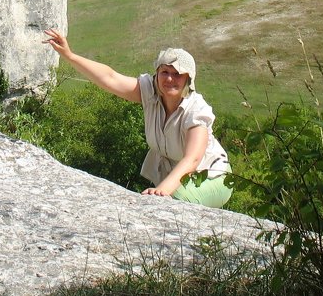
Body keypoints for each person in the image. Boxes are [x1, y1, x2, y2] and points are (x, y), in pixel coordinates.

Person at [43, 29, 232, 208]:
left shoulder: (196, 110)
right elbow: (110, 78)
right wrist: (70, 55)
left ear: (188, 79)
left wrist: (163, 191)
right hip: (180, 180)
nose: (169, 79)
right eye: (164, 72)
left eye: (177, 74)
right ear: (156, 74)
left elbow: (192, 159)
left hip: (211, 177)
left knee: (177, 202)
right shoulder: (150, 92)